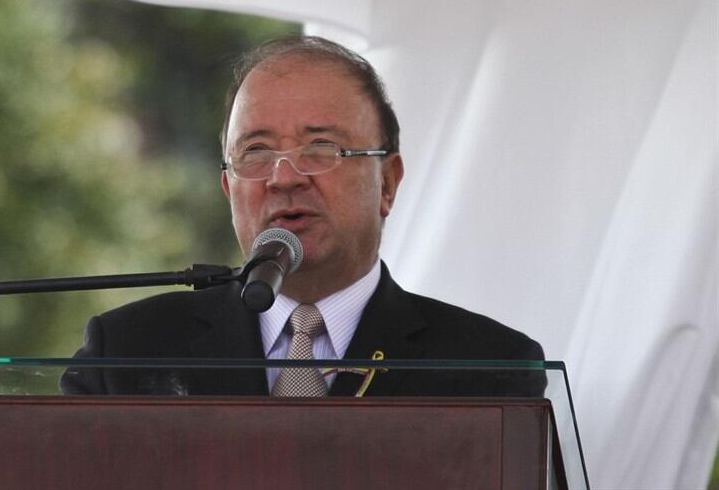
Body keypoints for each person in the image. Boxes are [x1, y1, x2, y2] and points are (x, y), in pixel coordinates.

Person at [60, 36, 544, 397]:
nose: (283, 177)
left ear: (388, 183)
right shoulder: (126, 352)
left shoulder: (487, 367)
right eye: (256, 151)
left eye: (321, 147)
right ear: (229, 187)